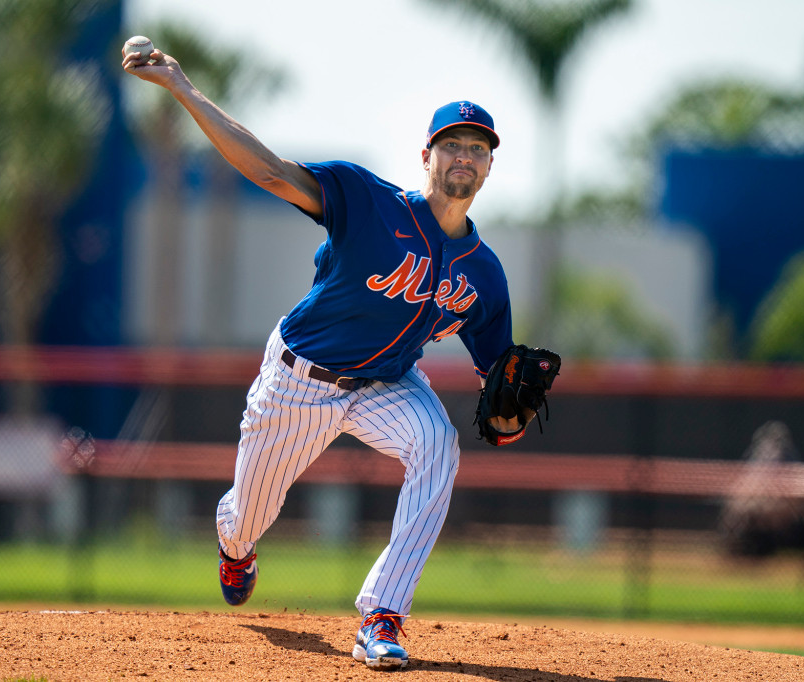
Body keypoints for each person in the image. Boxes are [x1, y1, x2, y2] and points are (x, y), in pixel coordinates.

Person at [124, 44, 527, 670]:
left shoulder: (485, 276)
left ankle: (383, 613)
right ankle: (236, 546)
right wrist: (181, 87)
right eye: (452, 144)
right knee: (248, 515)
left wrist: (510, 415)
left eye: (478, 148)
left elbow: (498, 379)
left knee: (438, 444)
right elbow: (269, 172)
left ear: (489, 166)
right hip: (296, 381)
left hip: (386, 385)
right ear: (427, 155)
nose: (464, 157)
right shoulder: (368, 202)